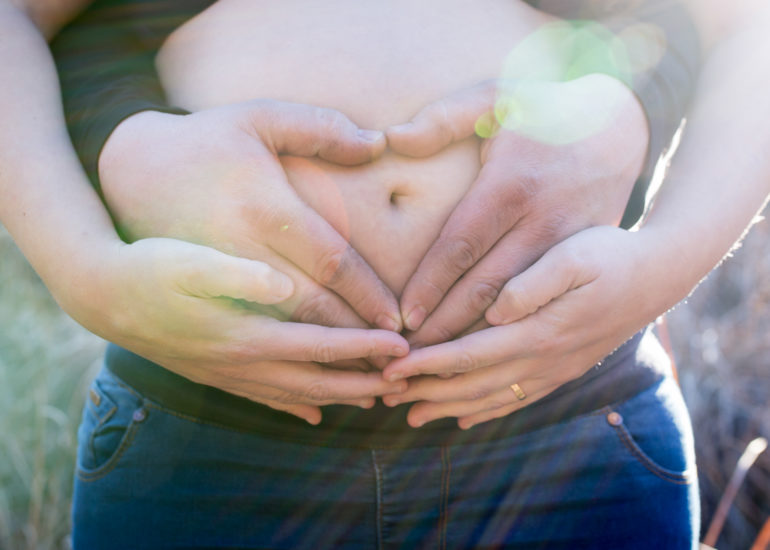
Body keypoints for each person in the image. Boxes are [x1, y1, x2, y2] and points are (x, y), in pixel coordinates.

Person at [1, 0, 767, 547]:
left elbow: (746, 23)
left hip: (563, 438)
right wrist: (83, 271)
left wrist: (662, 261)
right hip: (208, 438)